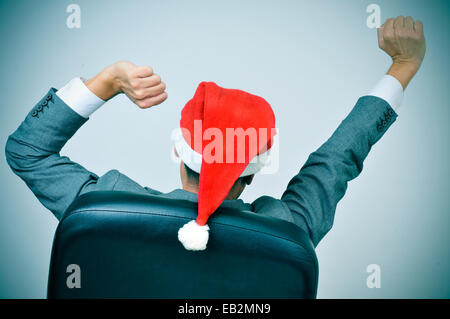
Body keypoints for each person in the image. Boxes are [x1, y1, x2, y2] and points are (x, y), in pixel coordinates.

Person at [5, 16, 426, 251]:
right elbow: (336, 159)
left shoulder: (107, 209)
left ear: (179, 151)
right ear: (254, 171)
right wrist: (402, 67)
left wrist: (108, 80)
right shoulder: (289, 230)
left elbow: (27, 150)